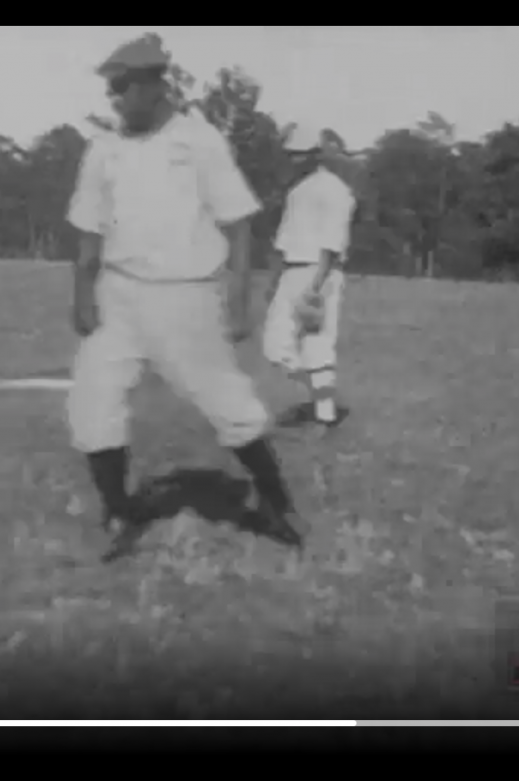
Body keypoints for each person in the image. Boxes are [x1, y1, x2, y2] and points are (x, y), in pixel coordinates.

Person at [65, 35, 305, 549]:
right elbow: (88, 228)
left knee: (227, 402)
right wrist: (82, 294)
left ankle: (275, 503)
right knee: (94, 399)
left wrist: (239, 303)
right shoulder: (102, 149)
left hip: (185, 296)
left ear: (154, 85)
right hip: (118, 294)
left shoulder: (199, 141)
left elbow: (239, 225)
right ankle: (119, 513)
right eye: (112, 88)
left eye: (123, 86)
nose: (115, 97)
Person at [263, 123, 356, 429]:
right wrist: (275, 282)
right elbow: (283, 241)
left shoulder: (335, 189)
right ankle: (321, 398)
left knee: (317, 343)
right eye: (290, 155)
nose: (293, 161)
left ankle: (325, 414)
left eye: (299, 155)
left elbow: (333, 241)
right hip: (293, 271)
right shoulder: (296, 191)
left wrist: (317, 285)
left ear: (315, 155)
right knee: (276, 345)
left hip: (319, 272)